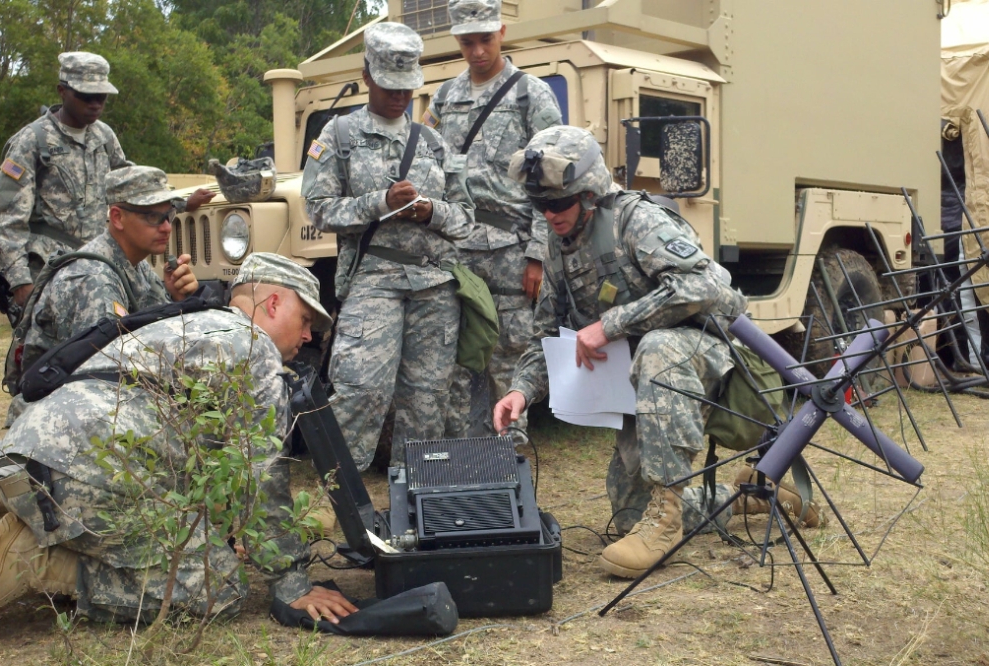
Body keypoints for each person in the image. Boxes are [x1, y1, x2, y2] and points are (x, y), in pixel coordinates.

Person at [0, 253, 357, 640]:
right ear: (274, 302)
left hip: (35, 450)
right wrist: (291, 582)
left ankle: (17, 497)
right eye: (305, 320)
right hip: (85, 474)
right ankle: (33, 555)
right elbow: (262, 476)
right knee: (219, 590)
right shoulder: (253, 348)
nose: (308, 336)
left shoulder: (190, 323)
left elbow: (204, 470)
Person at [492, 126, 748, 579]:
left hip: (702, 358)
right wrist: (520, 393)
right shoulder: (558, 246)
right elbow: (545, 335)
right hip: (643, 380)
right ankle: (748, 497)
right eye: (541, 206)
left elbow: (706, 285)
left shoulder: (635, 219)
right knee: (628, 516)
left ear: (589, 194)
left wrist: (610, 325)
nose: (549, 216)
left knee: (658, 345)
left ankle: (667, 518)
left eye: (558, 204)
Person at [301, 22, 473, 470]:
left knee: (427, 401)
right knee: (360, 391)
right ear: (367, 76)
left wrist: (430, 211)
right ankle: (337, 496)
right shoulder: (338, 135)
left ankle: (417, 503)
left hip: (435, 284)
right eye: (390, 87)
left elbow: (466, 219)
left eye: (407, 89)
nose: (399, 97)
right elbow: (318, 210)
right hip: (374, 280)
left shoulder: (435, 143)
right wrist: (380, 203)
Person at [425, 0, 563, 438]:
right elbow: (426, 164)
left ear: (502, 32)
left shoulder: (531, 94)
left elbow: (552, 178)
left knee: (512, 350)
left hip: (511, 246)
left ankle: (510, 444)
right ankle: (465, 449)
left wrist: (539, 253)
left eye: (486, 39)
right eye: (468, 42)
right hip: (457, 246)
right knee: (460, 352)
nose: (478, 50)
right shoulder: (444, 99)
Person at [0, 52, 212, 310]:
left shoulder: (104, 137)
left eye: (101, 96)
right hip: (49, 275)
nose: (95, 103)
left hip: (100, 266)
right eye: (86, 96)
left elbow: (137, 189)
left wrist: (182, 203)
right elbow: (6, 221)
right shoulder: (31, 142)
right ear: (62, 91)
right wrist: (20, 284)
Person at [19, 165, 198, 374]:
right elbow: (105, 373)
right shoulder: (92, 280)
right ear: (117, 218)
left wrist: (178, 299)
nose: (167, 227)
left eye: (169, 214)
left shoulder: (133, 263)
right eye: (152, 217)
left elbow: (159, 338)